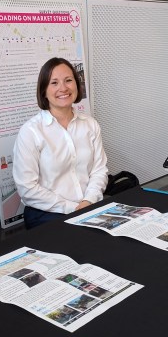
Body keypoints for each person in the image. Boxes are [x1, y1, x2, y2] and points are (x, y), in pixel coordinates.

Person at [13, 58, 108, 229]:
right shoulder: (31, 131)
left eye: (68, 80)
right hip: (47, 214)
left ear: (77, 86)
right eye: (54, 83)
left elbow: (99, 170)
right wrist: (74, 208)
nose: (63, 88)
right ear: (44, 91)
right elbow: (27, 188)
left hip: (89, 205)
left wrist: (88, 201)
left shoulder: (90, 124)